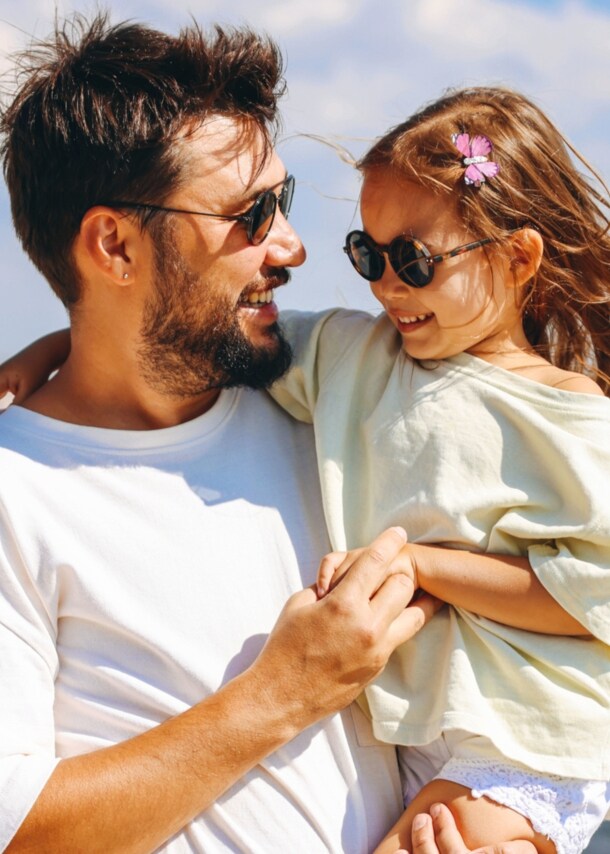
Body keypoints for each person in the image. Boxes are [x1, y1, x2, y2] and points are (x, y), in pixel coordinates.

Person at [0, 13, 537, 854]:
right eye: (250, 215)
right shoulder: (14, 491)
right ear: (112, 244)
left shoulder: (342, 403)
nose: (290, 245)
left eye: (279, 202)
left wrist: (520, 823)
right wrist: (283, 691)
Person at [264, 88, 610, 853]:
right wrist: (51, 352)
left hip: (528, 737)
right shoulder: (348, 357)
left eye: (414, 260)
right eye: (369, 254)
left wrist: (422, 565)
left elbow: (586, 601)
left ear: (518, 257)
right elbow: (211, 345)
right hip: (414, 726)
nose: (387, 284)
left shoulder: (570, 411)